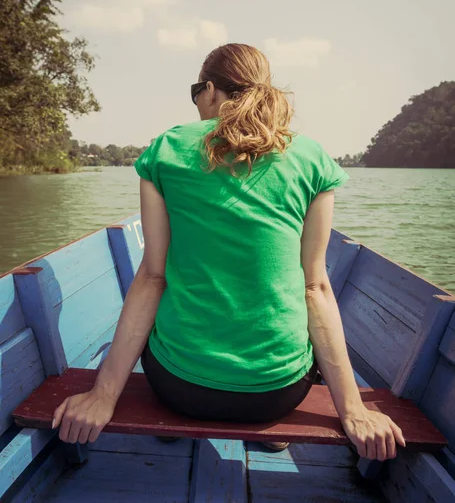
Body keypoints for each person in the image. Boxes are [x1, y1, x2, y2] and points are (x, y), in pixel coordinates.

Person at [53, 43, 405, 459]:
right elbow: (315, 288)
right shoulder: (312, 158)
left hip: (180, 388)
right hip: (277, 395)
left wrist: (102, 396)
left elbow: (153, 277)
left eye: (195, 92)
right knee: (297, 332)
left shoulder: (167, 148)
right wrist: (353, 409)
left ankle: (173, 424)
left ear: (210, 90)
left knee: (161, 312)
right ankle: (270, 431)